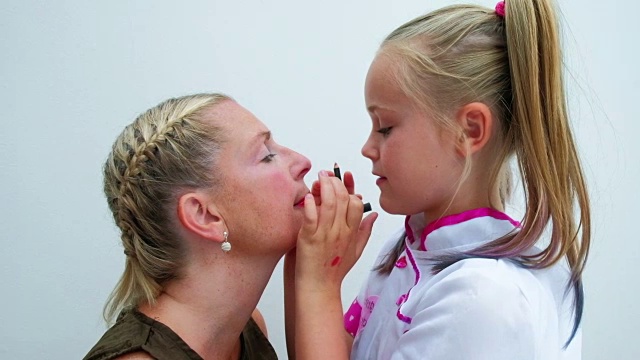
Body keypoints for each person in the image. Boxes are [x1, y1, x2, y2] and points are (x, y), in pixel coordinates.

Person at [292, 0, 591, 359]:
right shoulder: (408, 246)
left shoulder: (482, 298)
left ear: (469, 130)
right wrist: (307, 261)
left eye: (385, 127)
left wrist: (319, 286)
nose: (368, 148)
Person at [83, 93, 373, 360]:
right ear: (204, 215)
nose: (302, 162)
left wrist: (303, 271)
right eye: (267, 155)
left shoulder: (248, 329)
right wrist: (320, 284)